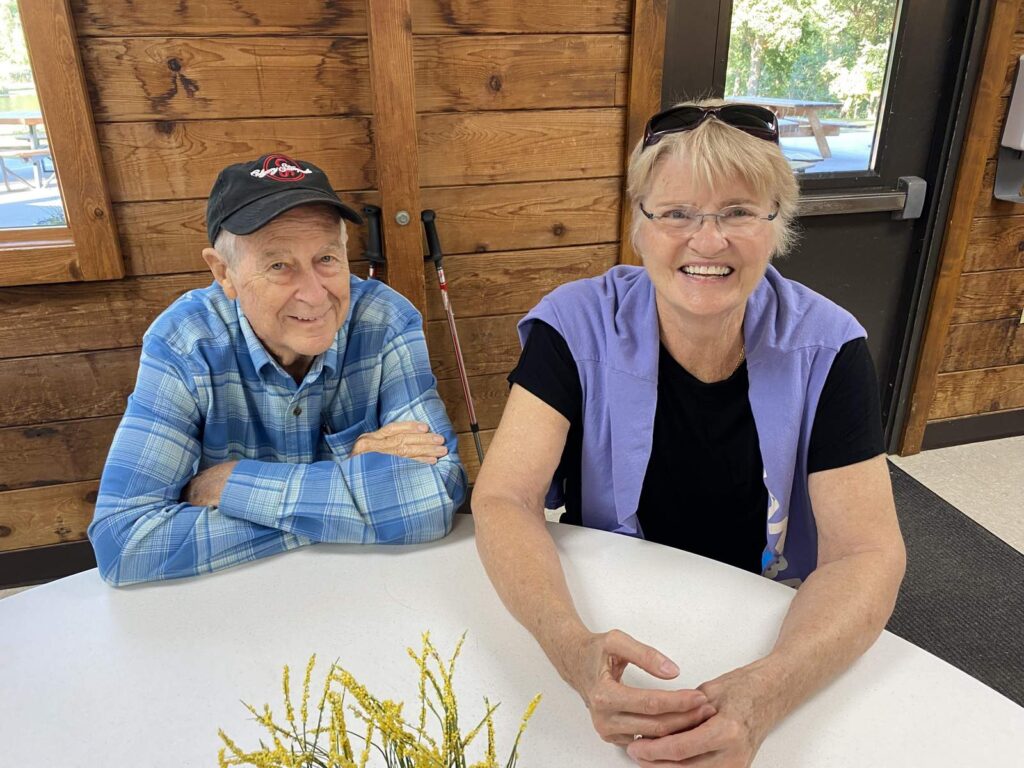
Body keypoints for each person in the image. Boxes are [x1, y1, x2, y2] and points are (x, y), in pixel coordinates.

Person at [472, 102, 906, 766]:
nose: (708, 242)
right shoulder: (574, 325)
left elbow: (866, 553)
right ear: (639, 226)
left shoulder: (829, 345)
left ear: (777, 225)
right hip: (608, 606)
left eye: (738, 212)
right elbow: (505, 497)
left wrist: (768, 693)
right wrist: (570, 647)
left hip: (768, 622)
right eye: (676, 213)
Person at [90, 153, 467, 586]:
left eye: (327, 258)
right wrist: (360, 493)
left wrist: (230, 484)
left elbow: (438, 494)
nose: (314, 294)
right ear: (224, 273)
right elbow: (126, 542)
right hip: (239, 599)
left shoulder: (385, 320)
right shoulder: (185, 342)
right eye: (278, 265)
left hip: (369, 587)